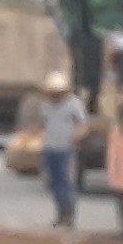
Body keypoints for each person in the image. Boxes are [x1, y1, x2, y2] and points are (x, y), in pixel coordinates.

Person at [37, 65, 84, 227]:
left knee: (65, 181)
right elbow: (43, 124)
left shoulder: (74, 104)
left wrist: (75, 137)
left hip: (66, 149)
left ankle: (68, 214)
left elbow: (82, 124)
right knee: (53, 182)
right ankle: (60, 213)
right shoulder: (45, 105)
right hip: (49, 148)